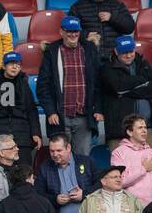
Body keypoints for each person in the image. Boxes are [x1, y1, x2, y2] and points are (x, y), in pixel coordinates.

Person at [35, 15, 103, 158]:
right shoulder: (52, 51)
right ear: (61, 32)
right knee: (60, 158)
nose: (73, 34)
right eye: (69, 31)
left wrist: (98, 108)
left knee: (83, 159)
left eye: (76, 31)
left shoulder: (89, 49)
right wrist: (50, 111)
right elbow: (43, 86)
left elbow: (98, 82)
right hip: (60, 116)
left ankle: (81, 182)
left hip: (84, 116)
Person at [99, 37, 152, 150]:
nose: (128, 55)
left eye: (131, 51)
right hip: (119, 130)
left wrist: (127, 91)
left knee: (149, 165)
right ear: (116, 51)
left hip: (146, 128)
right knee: (122, 166)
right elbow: (119, 87)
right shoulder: (107, 68)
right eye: (124, 52)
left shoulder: (143, 63)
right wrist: (144, 81)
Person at [69, 0, 136, 56]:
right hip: (88, 55)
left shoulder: (117, 5)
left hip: (113, 57)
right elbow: (68, 31)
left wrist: (112, 18)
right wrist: (86, 35)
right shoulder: (78, 7)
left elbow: (130, 28)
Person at [112, 114, 152, 207]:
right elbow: (119, 181)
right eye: (140, 128)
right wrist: (143, 169)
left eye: (145, 127)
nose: (144, 131)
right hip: (129, 206)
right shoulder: (118, 153)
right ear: (129, 132)